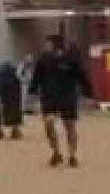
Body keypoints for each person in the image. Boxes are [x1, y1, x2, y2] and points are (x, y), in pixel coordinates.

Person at [30, 33, 92, 168]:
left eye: (48, 44)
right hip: (49, 96)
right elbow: (36, 78)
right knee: (49, 124)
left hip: (67, 95)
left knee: (69, 125)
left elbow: (82, 75)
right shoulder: (44, 59)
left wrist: (88, 93)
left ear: (55, 45)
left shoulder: (70, 59)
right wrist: (33, 94)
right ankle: (56, 151)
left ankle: (72, 155)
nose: (46, 47)